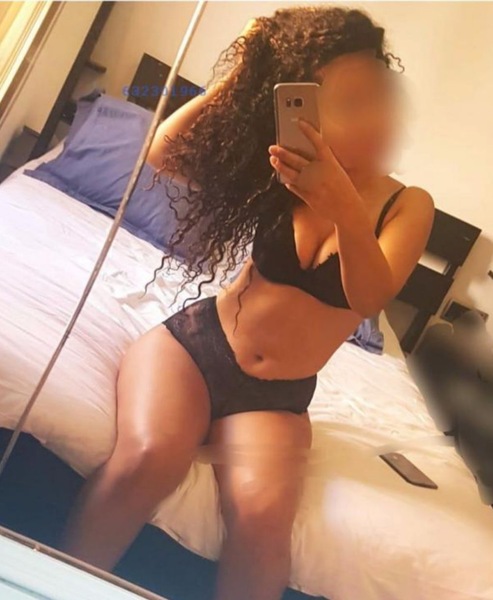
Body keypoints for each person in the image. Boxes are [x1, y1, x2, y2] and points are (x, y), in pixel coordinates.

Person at [58, 6, 435, 600]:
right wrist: (244, 72)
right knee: (149, 458)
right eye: (343, 101)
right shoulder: (282, 169)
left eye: (372, 97)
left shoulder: (408, 205)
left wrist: (342, 205)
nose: (364, 117)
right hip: (196, 350)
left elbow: (369, 295)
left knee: (262, 527)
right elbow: (162, 154)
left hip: (276, 397)